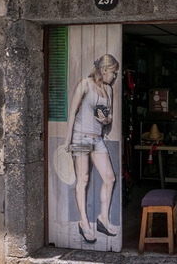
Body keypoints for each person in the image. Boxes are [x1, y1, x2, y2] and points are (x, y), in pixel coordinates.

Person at [64, 54, 119, 244]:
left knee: (109, 177)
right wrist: (67, 138)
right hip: (80, 136)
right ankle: (84, 223)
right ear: (104, 70)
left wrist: (106, 120)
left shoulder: (108, 90)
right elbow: (72, 111)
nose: (114, 76)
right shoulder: (85, 84)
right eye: (113, 72)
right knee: (84, 179)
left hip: (97, 138)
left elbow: (110, 115)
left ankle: (103, 219)